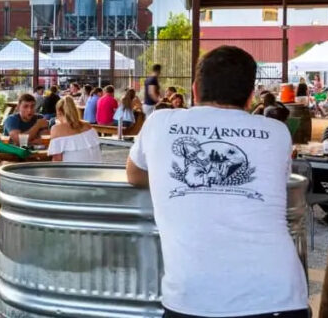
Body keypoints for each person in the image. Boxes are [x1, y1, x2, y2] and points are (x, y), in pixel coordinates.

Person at [126, 46, 308, 318]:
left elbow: (135, 174)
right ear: (250, 98)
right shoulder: (276, 131)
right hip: (278, 296)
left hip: (192, 298)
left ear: (195, 90)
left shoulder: (159, 122)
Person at [48, 98, 101, 162]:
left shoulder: (56, 129)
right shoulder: (88, 126)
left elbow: (57, 160)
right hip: (96, 169)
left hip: (73, 170)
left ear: (59, 113)